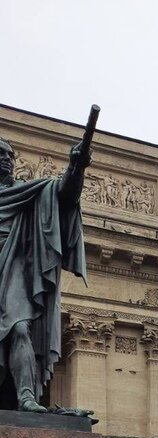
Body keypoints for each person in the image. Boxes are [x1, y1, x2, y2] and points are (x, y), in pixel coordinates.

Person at [0, 135, 89, 412]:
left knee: (20, 327)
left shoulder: (29, 192)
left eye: (9, 155)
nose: (6, 159)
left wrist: (76, 167)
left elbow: (64, 194)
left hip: (13, 265)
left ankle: (26, 397)